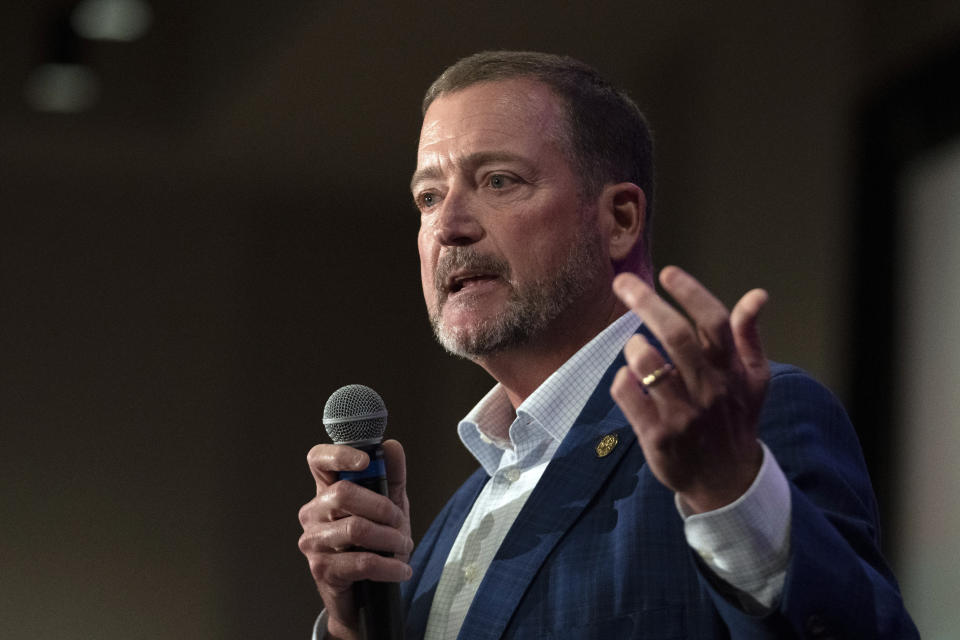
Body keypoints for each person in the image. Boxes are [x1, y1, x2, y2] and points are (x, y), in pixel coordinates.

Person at [298, 51, 917, 639]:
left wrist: (732, 495)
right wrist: (356, 627)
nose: (449, 226)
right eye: (428, 197)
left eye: (499, 180)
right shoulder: (460, 518)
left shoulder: (747, 428)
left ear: (619, 218)